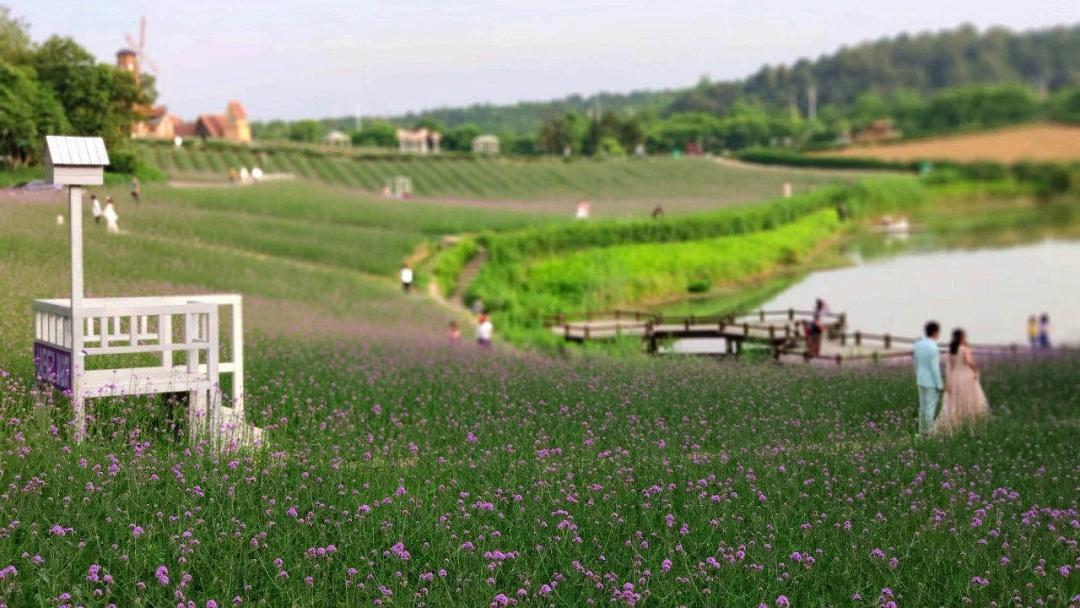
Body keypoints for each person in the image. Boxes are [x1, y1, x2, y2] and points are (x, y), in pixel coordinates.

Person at [934, 329, 990, 434]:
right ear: (961, 337)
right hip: (966, 376)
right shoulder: (964, 349)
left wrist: (948, 382)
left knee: (956, 400)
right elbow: (969, 362)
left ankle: (956, 424)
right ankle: (970, 424)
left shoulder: (951, 351)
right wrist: (976, 369)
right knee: (969, 399)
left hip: (955, 377)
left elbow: (949, 368)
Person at [912, 321, 944, 436]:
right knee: (930, 408)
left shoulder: (918, 345)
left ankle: (921, 431)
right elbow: (935, 368)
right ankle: (928, 432)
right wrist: (939, 384)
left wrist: (917, 375)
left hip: (920, 379)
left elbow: (915, 362)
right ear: (935, 332)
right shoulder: (934, 347)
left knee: (922, 407)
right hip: (931, 382)